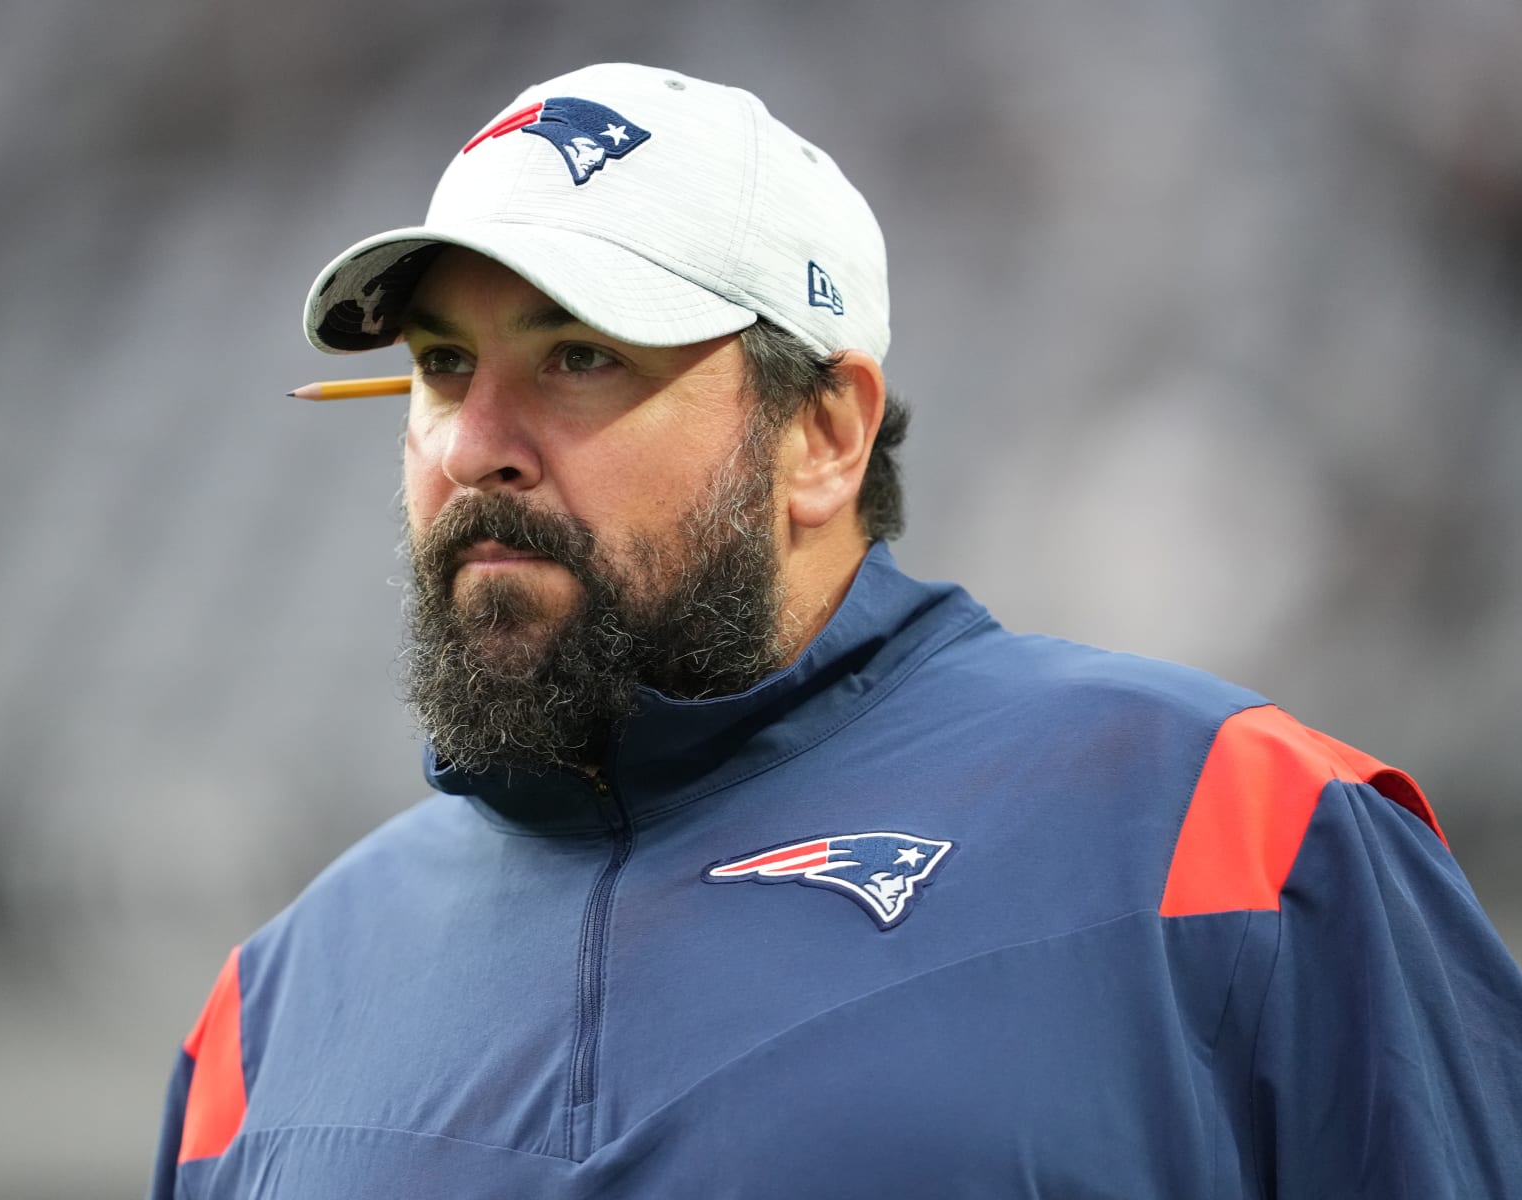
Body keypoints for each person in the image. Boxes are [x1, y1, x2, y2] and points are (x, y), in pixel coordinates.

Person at [150, 63, 1522, 1198]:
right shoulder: (270, 1015)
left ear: (824, 433)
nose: (475, 445)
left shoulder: (1234, 835)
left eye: (578, 355)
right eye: (446, 365)